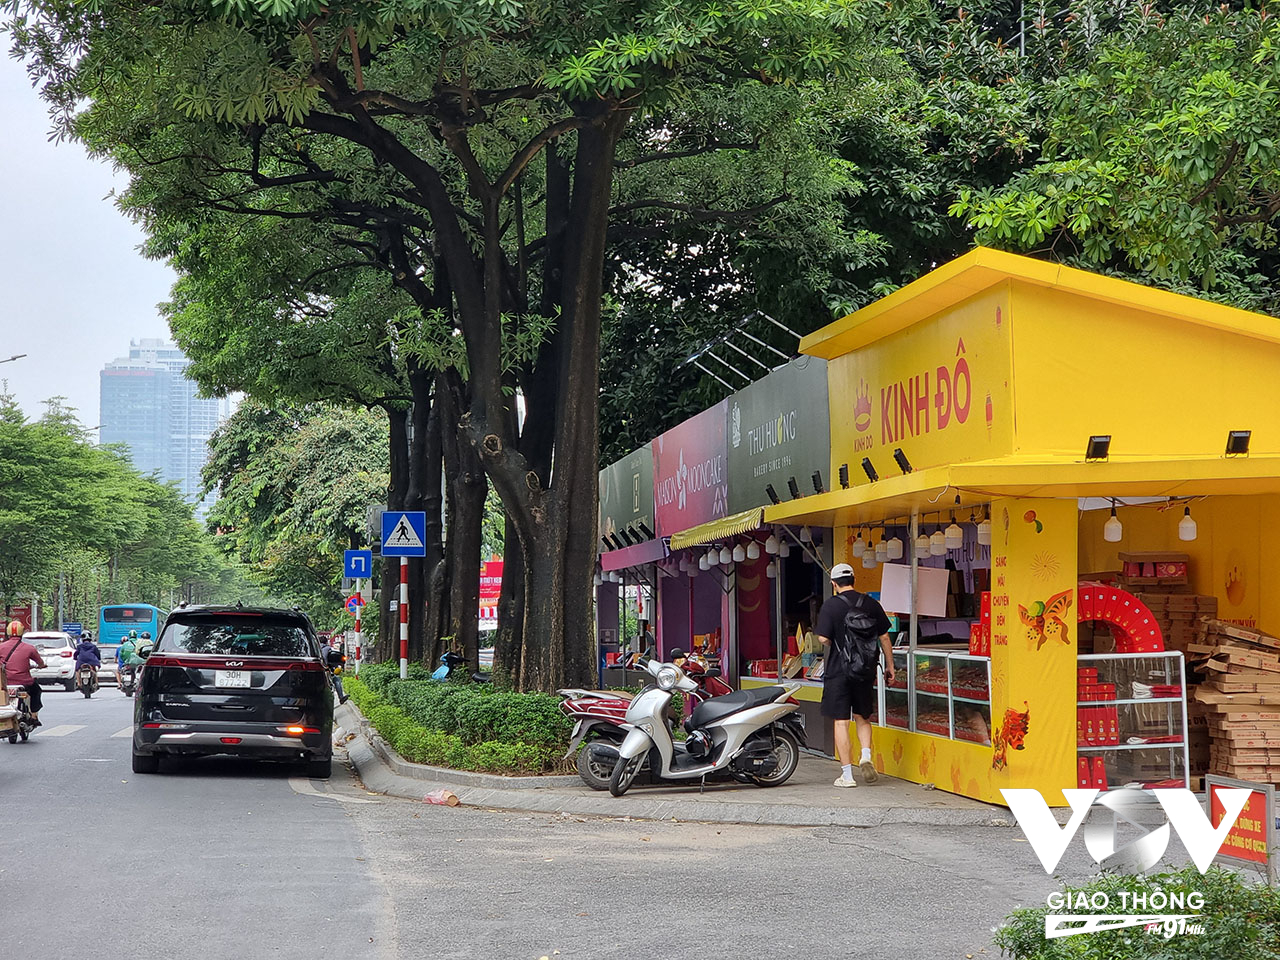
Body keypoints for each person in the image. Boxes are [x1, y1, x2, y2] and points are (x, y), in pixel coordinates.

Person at [816, 563, 895, 788]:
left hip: (838, 671)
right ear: (854, 579)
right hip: (864, 670)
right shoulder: (870, 603)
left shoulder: (830, 606)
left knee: (841, 722)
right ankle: (866, 755)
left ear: (833, 584)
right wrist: (890, 666)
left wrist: (833, 639)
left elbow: (823, 638)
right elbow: (885, 638)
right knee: (863, 717)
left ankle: (847, 776)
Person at [1, 620, 46, 726]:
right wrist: (41, 666)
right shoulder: (29, 648)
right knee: (36, 691)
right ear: (22, 632)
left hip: (5, 683)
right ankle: (34, 716)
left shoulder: (1, 647)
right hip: (24, 682)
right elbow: (40, 662)